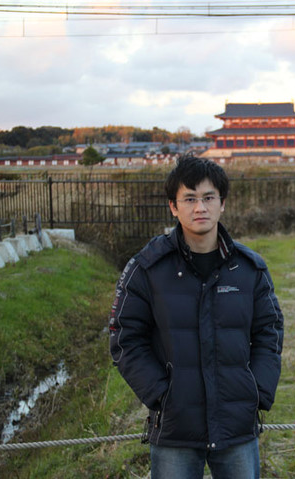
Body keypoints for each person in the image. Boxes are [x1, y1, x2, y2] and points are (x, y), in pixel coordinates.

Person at [109, 155, 284, 479]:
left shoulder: (249, 269)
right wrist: (161, 394)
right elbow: (124, 337)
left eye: (208, 198)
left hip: (237, 424)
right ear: (173, 207)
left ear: (222, 204)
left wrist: (256, 389)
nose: (199, 207)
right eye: (189, 199)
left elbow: (269, 331)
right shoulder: (147, 268)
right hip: (175, 427)